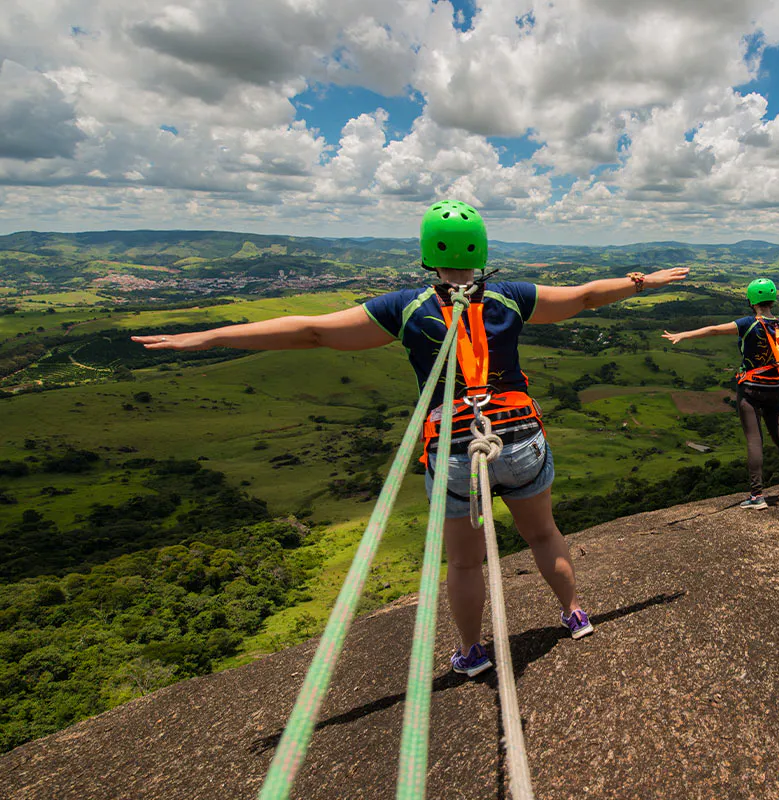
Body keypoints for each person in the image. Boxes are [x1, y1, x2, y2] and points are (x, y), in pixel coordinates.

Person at [134, 199, 689, 677]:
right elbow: (587, 296)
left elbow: (312, 331)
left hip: (455, 449)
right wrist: (643, 282)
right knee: (543, 535)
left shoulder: (405, 307)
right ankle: (575, 615)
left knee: (465, 563)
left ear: (428, 254)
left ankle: (472, 653)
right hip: (520, 436)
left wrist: (210, 337)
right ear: (481, 250)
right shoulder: (512, 296)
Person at [662, 278, 779, 509]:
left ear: (751, 301)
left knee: (754, 439)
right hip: (774, 388)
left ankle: (756, 496)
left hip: (750, 388)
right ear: (773, 299)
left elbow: (714, 330)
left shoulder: (747, 323)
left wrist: (683, 335)